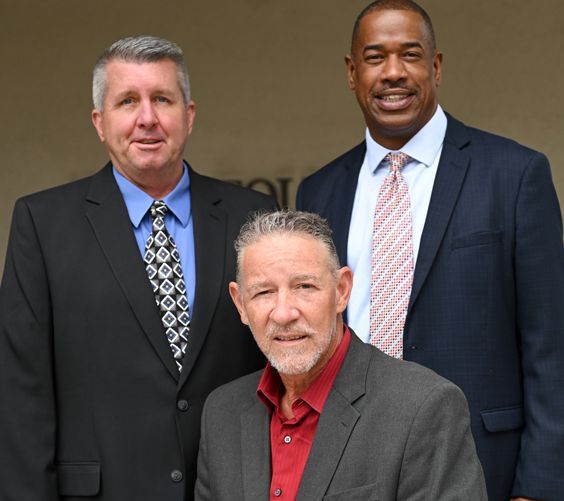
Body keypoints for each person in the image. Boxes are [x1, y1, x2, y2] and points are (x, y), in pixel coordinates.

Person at [295, 1, 564, 500]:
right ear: (352, 73)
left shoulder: (514, 175)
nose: (393, 73)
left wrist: (540, 489)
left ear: (436, 67)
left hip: (482, 463)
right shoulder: (320, 192)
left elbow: (552, 349)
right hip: (348, 463)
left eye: (410, 55)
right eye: (375, 58)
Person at [0, 35, 276, 500]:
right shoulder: (42, 225)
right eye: (127, 101)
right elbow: (19, 396)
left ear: (188, 116)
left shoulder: (252, 216)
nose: (146, 118)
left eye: (162, 99)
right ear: (99, 123)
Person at [195, 209, 487, 500]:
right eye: (263, 292)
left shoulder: (423, 407)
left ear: (342, 290)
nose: (284, 313)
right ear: (241, 304)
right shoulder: (221, 413)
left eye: (304, 286)